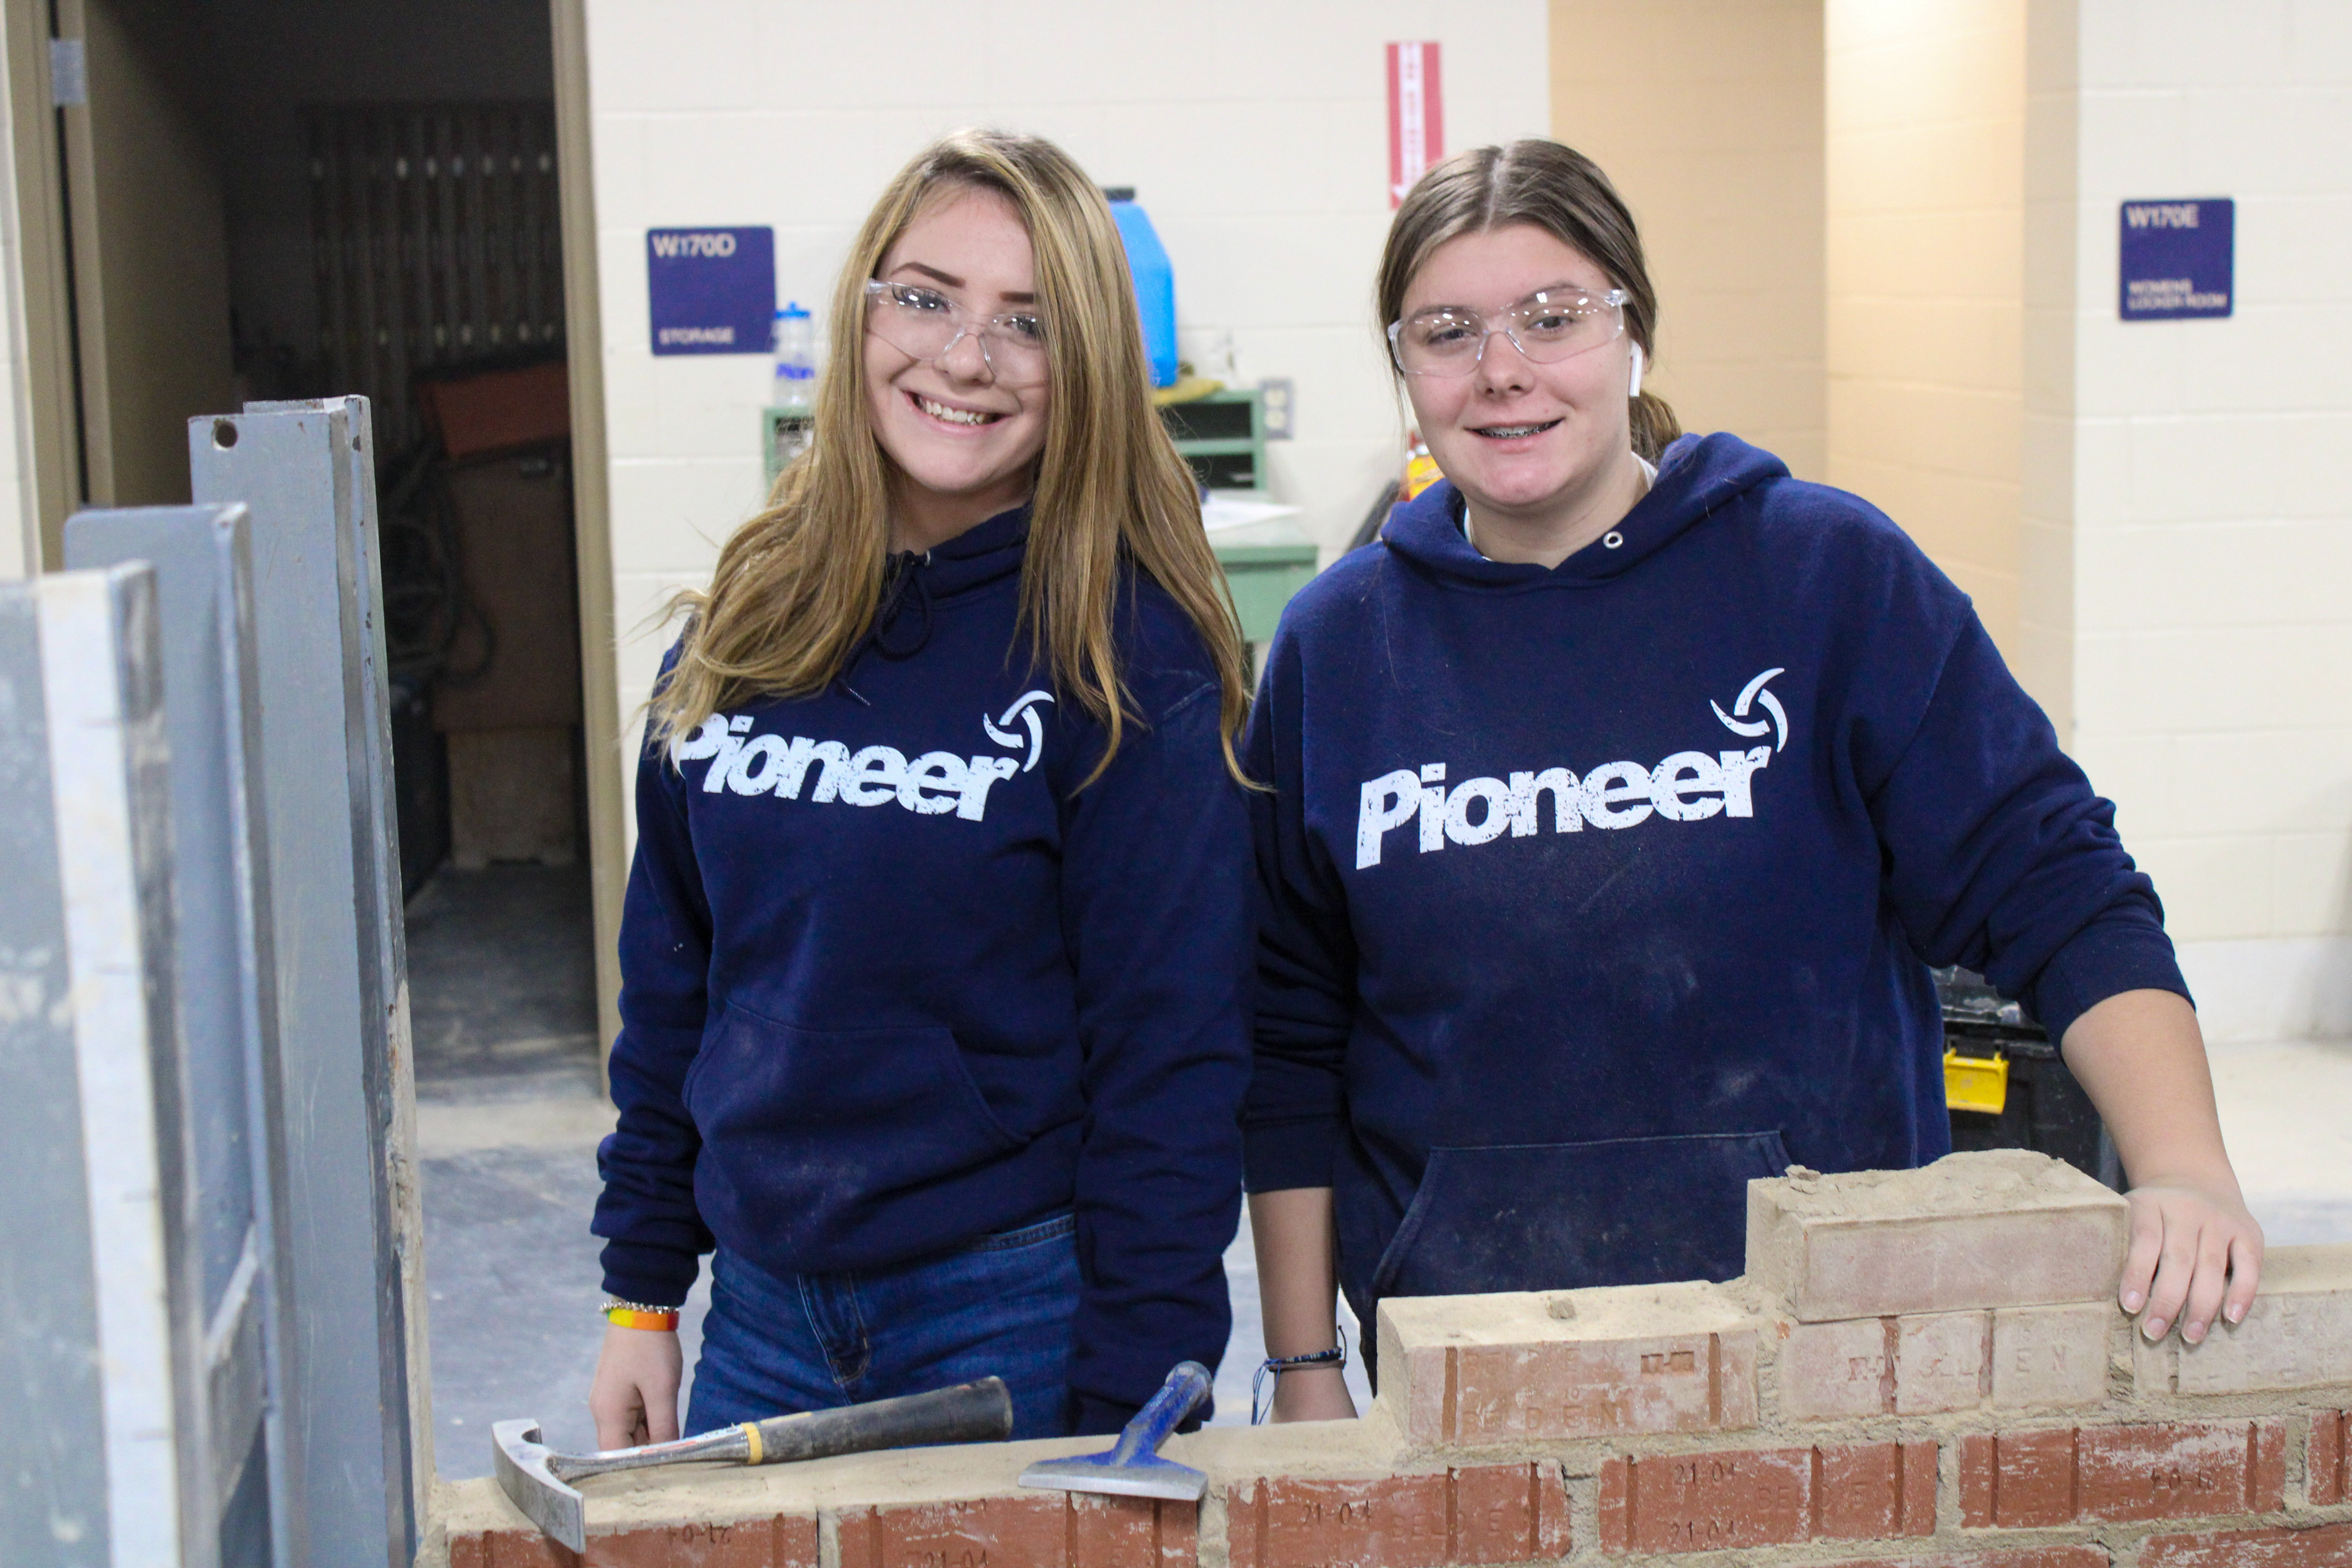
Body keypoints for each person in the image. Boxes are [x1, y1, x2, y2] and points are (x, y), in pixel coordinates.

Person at [1243, 139, 2264, 1423]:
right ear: (1406, 373)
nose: (1502, 370)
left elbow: (2055, 880)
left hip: (1834, 1348)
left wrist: (2186, 1169)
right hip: (1468, 1357)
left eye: (1553, 319)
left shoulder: (1828, 576)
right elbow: (1288, 1033)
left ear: (1635, 336)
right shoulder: (1340, 650)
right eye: (1448, 332)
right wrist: (1302, 1369)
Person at [587, 128, 1256, 1445]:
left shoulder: (1124, 652)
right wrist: (641, 1297)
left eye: (1030, 321)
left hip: (1012, 1312)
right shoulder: (749, 616)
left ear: (1090, 369)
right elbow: (676, 983)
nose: (965, 358)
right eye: (927, 296)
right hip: (762, 1320)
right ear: (864, 309)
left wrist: (1139, 1392)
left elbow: (1172, 1057)